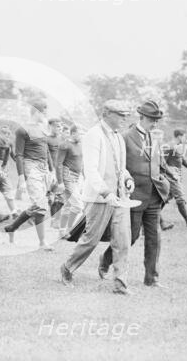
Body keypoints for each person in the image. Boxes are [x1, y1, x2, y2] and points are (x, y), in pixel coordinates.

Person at [60, 101, 133, 294]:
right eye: (120, 115)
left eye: (126, 115)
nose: (124, 119)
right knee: (91, 240)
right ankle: (67, 267)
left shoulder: (119, 137)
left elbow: (121, 167)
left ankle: (120, 284)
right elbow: (90, 170)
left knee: (123, 241)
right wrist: (106, 192)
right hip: (98, 199)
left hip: (120, 198)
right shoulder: (94, 135)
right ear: (107, 113)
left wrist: (127, 178)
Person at [103, 100, 172, 288]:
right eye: (152, 119)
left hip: (154, 197)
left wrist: (167, 177)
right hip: (133, 196)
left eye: (157, 120)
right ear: (141, 117)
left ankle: (151, 278)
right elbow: (118, 165)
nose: (155, 123)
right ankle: (105, 260)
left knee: (154, 238)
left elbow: (160, 163)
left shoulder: (155, 138)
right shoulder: (125, 137)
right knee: (130, 237)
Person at [3, 99, 56, 251]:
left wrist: (52, 171)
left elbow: (46, 150)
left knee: (37, 205)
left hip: (44, 168)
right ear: (35, 112)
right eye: (43, 111)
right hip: (30, 167)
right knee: (40, 205)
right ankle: (42, 242)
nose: (45, 114)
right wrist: (21, 178)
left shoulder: (44, 128)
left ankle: (12, 227)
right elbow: (19, 155)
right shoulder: (22, 130)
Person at [160, 129, 187, 228]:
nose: (185, 139)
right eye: (185, 136)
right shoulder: (170, 146)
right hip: (171, 177)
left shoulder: (178, 147)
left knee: (163, 199)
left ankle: (157, 221)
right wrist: (171, 173)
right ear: (179, 136)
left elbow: (181, 159)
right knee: (180, 198)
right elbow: (162, 162)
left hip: (176, 175)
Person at [55, 124, 84, 234]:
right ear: (73, 133)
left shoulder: (80, 145)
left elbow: (81, 161)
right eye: (79, 133)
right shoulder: (65, 145)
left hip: (78, 178)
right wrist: (60, 182)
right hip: (68, 176)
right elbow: (58, 164)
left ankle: (62, 230)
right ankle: (69, 229)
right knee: (78, 205)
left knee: (68, 204)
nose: (81, 136)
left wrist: (84, 176)